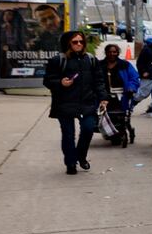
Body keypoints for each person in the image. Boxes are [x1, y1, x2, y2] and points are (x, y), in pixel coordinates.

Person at [43, 31, 108, 175]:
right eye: (75, 42)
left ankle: (81, 155)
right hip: (64, 103)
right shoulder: (58, 60)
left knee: (88, 128)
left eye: (81, 41)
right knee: (68, 134)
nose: (79, 44)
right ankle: (70, 163)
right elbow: (47, 80)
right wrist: (61, 82)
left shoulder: (91, 60)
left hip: (87, 102)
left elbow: (99, 81)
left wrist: (103, 97)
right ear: (68, 44)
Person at [102, 43, 140, 143]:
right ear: (106, 53)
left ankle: (120, 131)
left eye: (114, 52)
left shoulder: (125, 65)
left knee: (122, 116)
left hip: (122, 96)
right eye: (109, 52)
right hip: (104, 96)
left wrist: (131, 88)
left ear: (118, 53)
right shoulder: (100, 65)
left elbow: (134, 78)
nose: (112, 54)